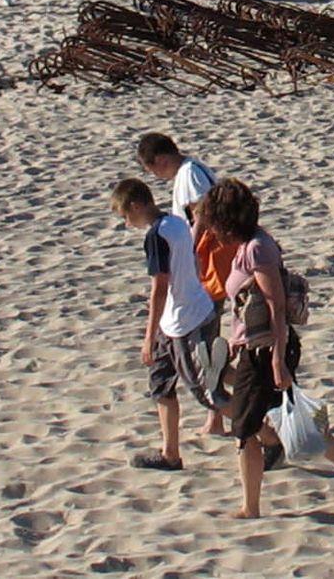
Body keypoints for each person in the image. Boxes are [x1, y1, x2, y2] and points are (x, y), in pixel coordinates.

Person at [195, 180, 334, 518]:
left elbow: (276, 306)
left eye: (214, 224)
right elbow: (251, 304)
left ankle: (250, 507)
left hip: (265, 351)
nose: (212, 232)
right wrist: (240, 341)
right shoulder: (251, 243)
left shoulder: (257, 249)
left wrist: (278, 360)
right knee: (297, 419)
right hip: (256, 347)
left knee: (245, 429)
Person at [110, 179, 229, 473]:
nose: (127, 223)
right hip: (177, 319)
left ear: (136, 206)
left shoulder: (157, 235)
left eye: (126, 216)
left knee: (207, 390)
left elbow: (159, 288)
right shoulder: (176, 222)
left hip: (186, 320)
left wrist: (148, 338)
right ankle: (170, 454)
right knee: (161, 384)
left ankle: (267, 434)